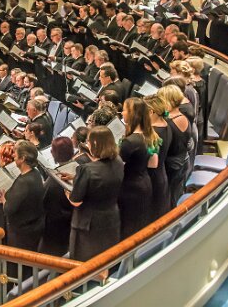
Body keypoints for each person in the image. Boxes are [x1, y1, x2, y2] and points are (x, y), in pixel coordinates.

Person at [67, 126, 124, 261]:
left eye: (88, 141)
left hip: (88, 226)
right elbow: (103, 180)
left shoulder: (87, 170)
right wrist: (75, 178)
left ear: (95, 144)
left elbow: (76, 201)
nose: (87, 144)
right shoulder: (118, 161)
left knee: (86, 265)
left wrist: (66, 191)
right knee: (107, 260)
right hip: (111, 219)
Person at [119, 98, 160, 238]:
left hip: (130, 190)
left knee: (128, 231)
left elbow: (116, 170)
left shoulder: (129, 142)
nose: (122, 113)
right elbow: (153, 164)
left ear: (133, 114)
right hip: (144, 184)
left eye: (124, 110)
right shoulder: (150, 135)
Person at [0, 141, 45, 252]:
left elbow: (8, 209)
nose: (13, 155)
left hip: (22, 235)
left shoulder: (24, 182)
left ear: (23, 158)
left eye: (15, 153)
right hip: (33, 228)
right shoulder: (35, 173)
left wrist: (3, 199)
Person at [39, 137, 75, 256]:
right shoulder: (80, 169)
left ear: (54, 154)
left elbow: (43, 202)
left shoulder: (54, 181)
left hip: (55, 234)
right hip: (71, 226)